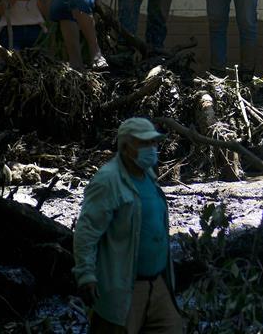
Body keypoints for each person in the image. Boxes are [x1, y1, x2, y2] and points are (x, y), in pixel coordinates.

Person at [73, 118, 182, 333]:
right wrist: (85, 274)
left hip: (159, 283)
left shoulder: (148, 174)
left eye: (153, 143)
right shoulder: (107, 180)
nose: (151, 149)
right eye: (144, 143)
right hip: (124, 287)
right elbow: (87, 231)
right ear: (125, 147)